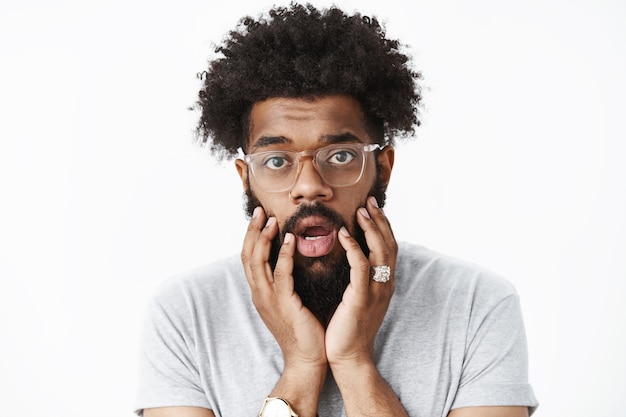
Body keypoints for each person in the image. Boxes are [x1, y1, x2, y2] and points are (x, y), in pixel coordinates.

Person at [135, 3, 538, 417]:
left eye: (341, 156)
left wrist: (354, 361)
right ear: (246, 178)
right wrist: (302, 365)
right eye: (276, 161)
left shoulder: (475, 304)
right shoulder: (186, 313)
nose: (310, 187)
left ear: (381, 169)